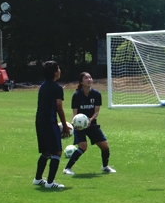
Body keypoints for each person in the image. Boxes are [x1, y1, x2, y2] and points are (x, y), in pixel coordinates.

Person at [62, 72, 116, 175]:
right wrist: (75, 125)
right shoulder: (77, 95)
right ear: (81, 82)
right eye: (86, 78)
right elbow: (75, 113)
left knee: (105, 146)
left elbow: (96, 112)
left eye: (90, 77)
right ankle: (67, 169)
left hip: (92, 124)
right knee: (83, 147)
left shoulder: (96, 94)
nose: (89, 79)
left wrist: (90, 120)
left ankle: (105, 167)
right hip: (79, 126)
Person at [33, 61, 70, 189]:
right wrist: (65, 126)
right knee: (57, 152)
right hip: (49, 121)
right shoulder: (57, 88)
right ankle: (50, 182)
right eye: (58, 68)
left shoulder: (42, 86)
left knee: (46, 151)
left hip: (39, 121)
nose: (60, 70)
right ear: (55, 72)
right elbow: (59, 108)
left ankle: (38, 179)